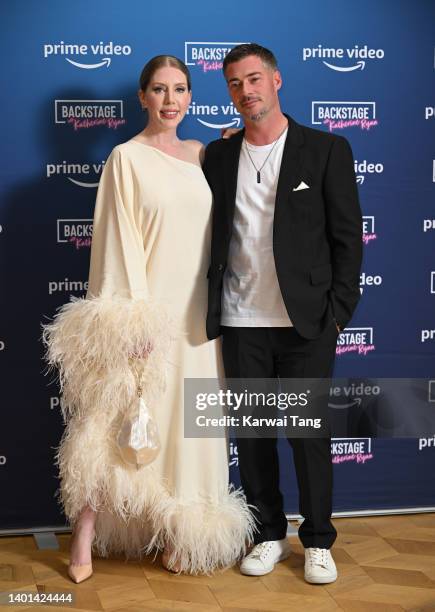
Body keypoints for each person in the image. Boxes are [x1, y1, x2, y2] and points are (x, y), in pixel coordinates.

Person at [43, 55, 255, 583]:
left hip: (198, 319)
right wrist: (133, 323)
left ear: (190, 96)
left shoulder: (203, 154)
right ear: (142, 97)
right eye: (158, 90)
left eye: (179, 89)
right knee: (115, 424)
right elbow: (120, 240)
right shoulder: (125, 157)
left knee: (185, 427)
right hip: (148, 316)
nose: (169, 100)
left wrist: (229, 144)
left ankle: (175, 532)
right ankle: (84, 540)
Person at [202, 43, 363, 584]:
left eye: (253, 79)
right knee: (253, 436)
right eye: (233, 83)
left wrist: (336, 315)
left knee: (308, 434)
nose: (244, 91)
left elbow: (348, 241)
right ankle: (268, 533)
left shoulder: (325, 149)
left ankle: (317, 540)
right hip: (240, 320)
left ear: (276, 81)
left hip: (306, 323)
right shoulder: (219, 156)